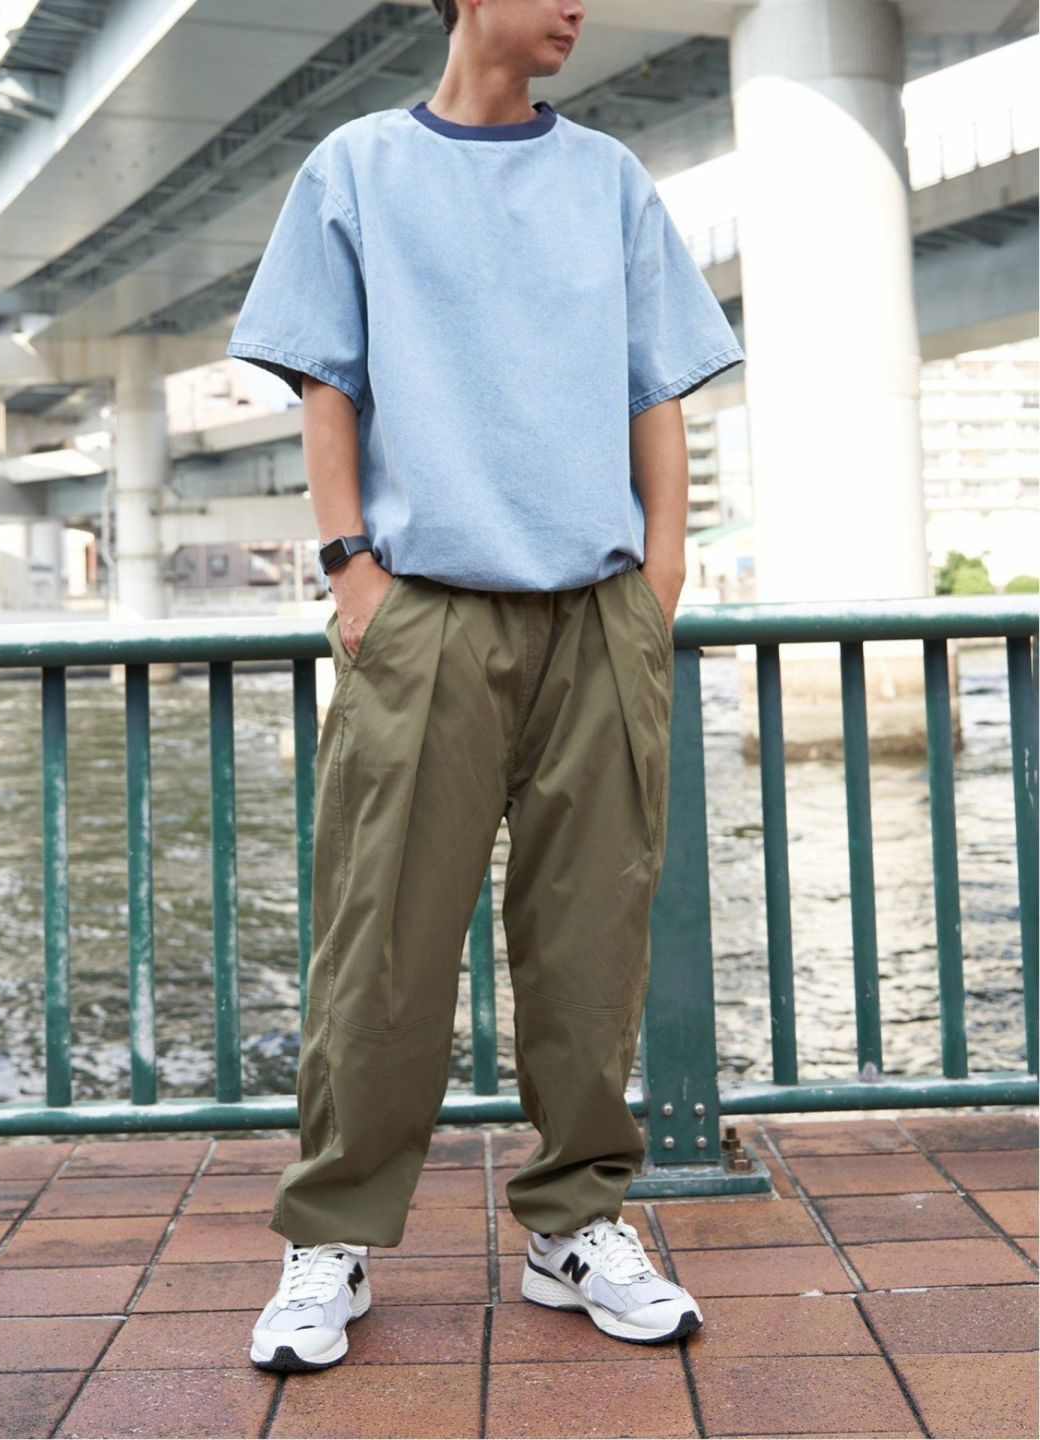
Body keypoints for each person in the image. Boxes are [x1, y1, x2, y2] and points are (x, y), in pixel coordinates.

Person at [228, 0, 744, 1373]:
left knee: (591, 941)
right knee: (381, 939)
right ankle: (331, 1238)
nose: (578, 5)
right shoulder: (356, 168)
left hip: (597, 608)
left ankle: (578, 1224)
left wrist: (661, 573)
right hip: (428, 606)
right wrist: (351, 569)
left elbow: (655, 386)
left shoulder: (609, 179)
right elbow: (326, 384)